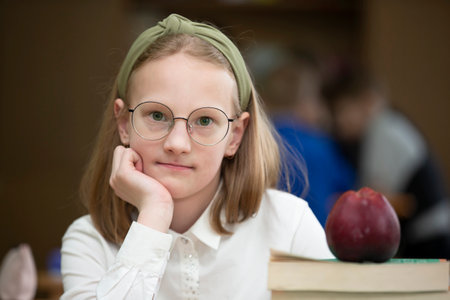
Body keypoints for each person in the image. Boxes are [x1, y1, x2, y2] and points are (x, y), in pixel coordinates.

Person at [60, 14, 333, 299]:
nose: (177, 144)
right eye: (156, 115)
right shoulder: (89, 241)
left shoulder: (288, 225)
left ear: (236, 136)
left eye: (204, 121)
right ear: (124, 124)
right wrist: (154, 213)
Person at [323, 69, 450, 259]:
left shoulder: (384, 131)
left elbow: (374, 200)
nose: (339, 121)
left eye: (343, 109)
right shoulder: (387, 127)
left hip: (431, 238)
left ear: (367, 101)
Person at [263, 54, 356, 226]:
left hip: (267, 241)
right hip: (315, 240)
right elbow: (347, 194)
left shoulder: (256, 143)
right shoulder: (319, 147)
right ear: (305, 102)